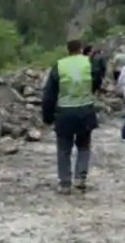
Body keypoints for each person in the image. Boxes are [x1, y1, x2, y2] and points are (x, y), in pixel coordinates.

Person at [42, 39, 101, 195]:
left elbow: (49, 94)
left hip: (65, 113)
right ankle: (80, 178)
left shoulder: (59, 66)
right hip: (85, 111)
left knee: (64, 149)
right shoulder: (89, 64)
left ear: (67, 50)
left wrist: (47, 116)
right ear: (81, 49)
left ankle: (65, 183)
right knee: (83, 146)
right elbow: (96, 81)